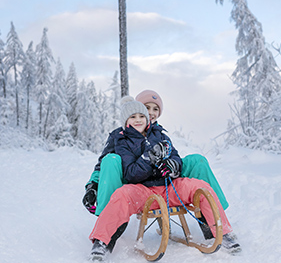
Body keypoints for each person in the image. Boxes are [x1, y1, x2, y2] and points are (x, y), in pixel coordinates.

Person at [88, 96, 240, 263]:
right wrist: (148, 159)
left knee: (201, 187)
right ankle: (101, 242)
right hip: (143, 191)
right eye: (133, 117)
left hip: (169, 187)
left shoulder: (160, 135)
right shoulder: (123, 141)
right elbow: (130, 174)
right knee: (121, 195)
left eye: (141, 116)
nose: (138, 120)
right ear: (126, 121)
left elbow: (175, 157)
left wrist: (173, 166)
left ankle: (223, 232)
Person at [82, 90, 230, 217]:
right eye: (147, 108)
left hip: (161, 179)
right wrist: (92, 186)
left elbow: (173, 154)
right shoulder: (120, 135)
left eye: (155, 109)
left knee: (198, 160)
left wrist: (173, 165)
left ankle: (215, 216)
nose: (151, 113)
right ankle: (107, 218)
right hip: (134, 179)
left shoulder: (159, 133)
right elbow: (103, 165)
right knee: (111, 159)